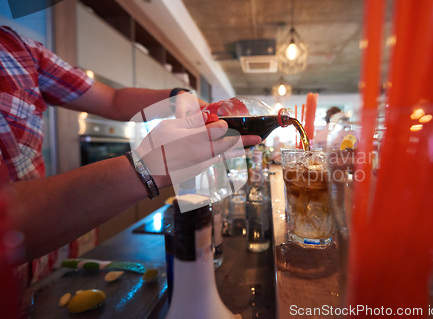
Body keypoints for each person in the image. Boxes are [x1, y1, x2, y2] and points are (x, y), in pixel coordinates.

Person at [0, 26, 261, 285]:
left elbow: (113, 99)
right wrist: (147, 167)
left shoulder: (19, 49)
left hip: (41, 270)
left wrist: (176, 97)